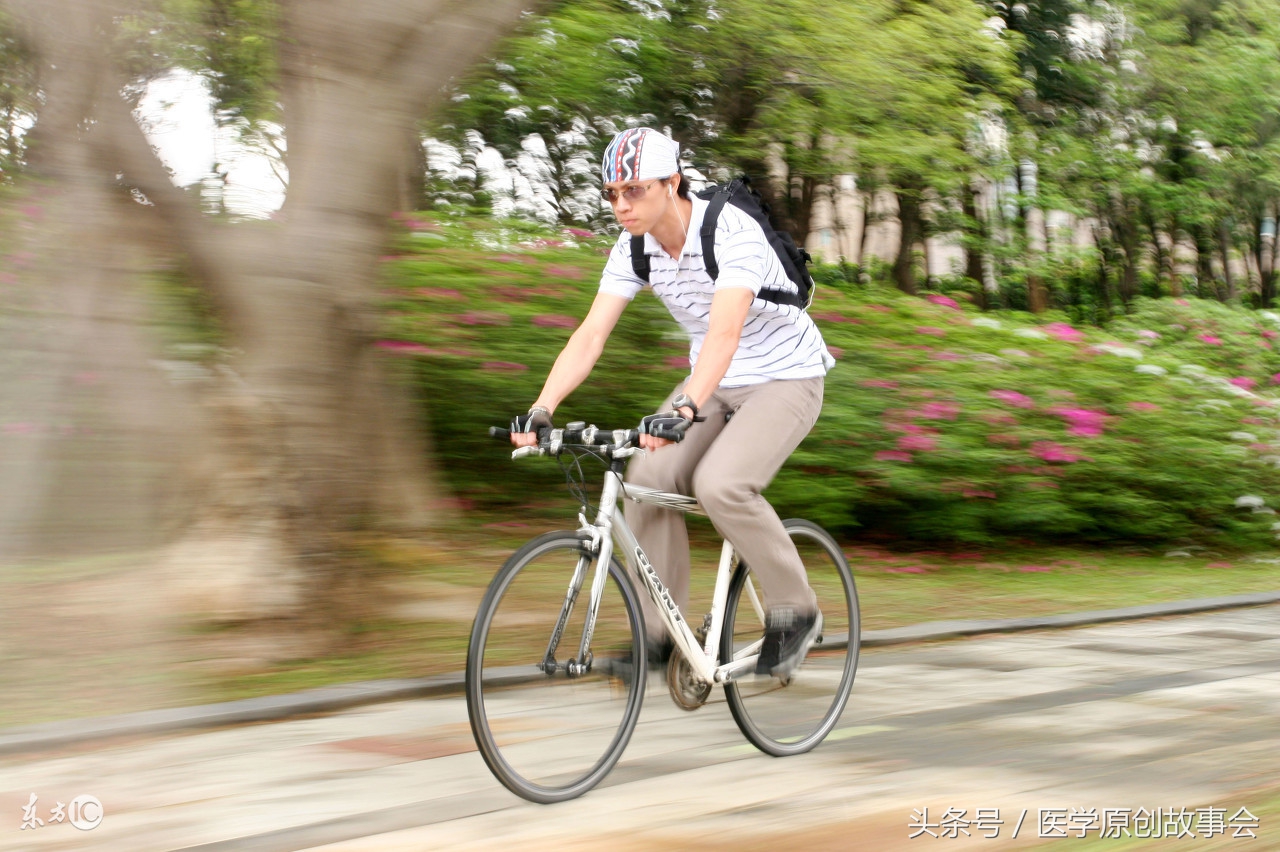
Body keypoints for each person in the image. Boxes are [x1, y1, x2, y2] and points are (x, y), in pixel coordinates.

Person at [510, 127, 835, 679]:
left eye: (634, 190)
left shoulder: (731, 231)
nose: (621, 205)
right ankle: (661, 636)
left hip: (786, 376)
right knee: (649, 474)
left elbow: (725, 333)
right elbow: (591, 335)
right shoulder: (632, 248)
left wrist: (684, 407)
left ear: (672, 183)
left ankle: (796, 609)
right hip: (713, 380)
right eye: (612, 194)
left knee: (721, 484)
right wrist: (543, 406)